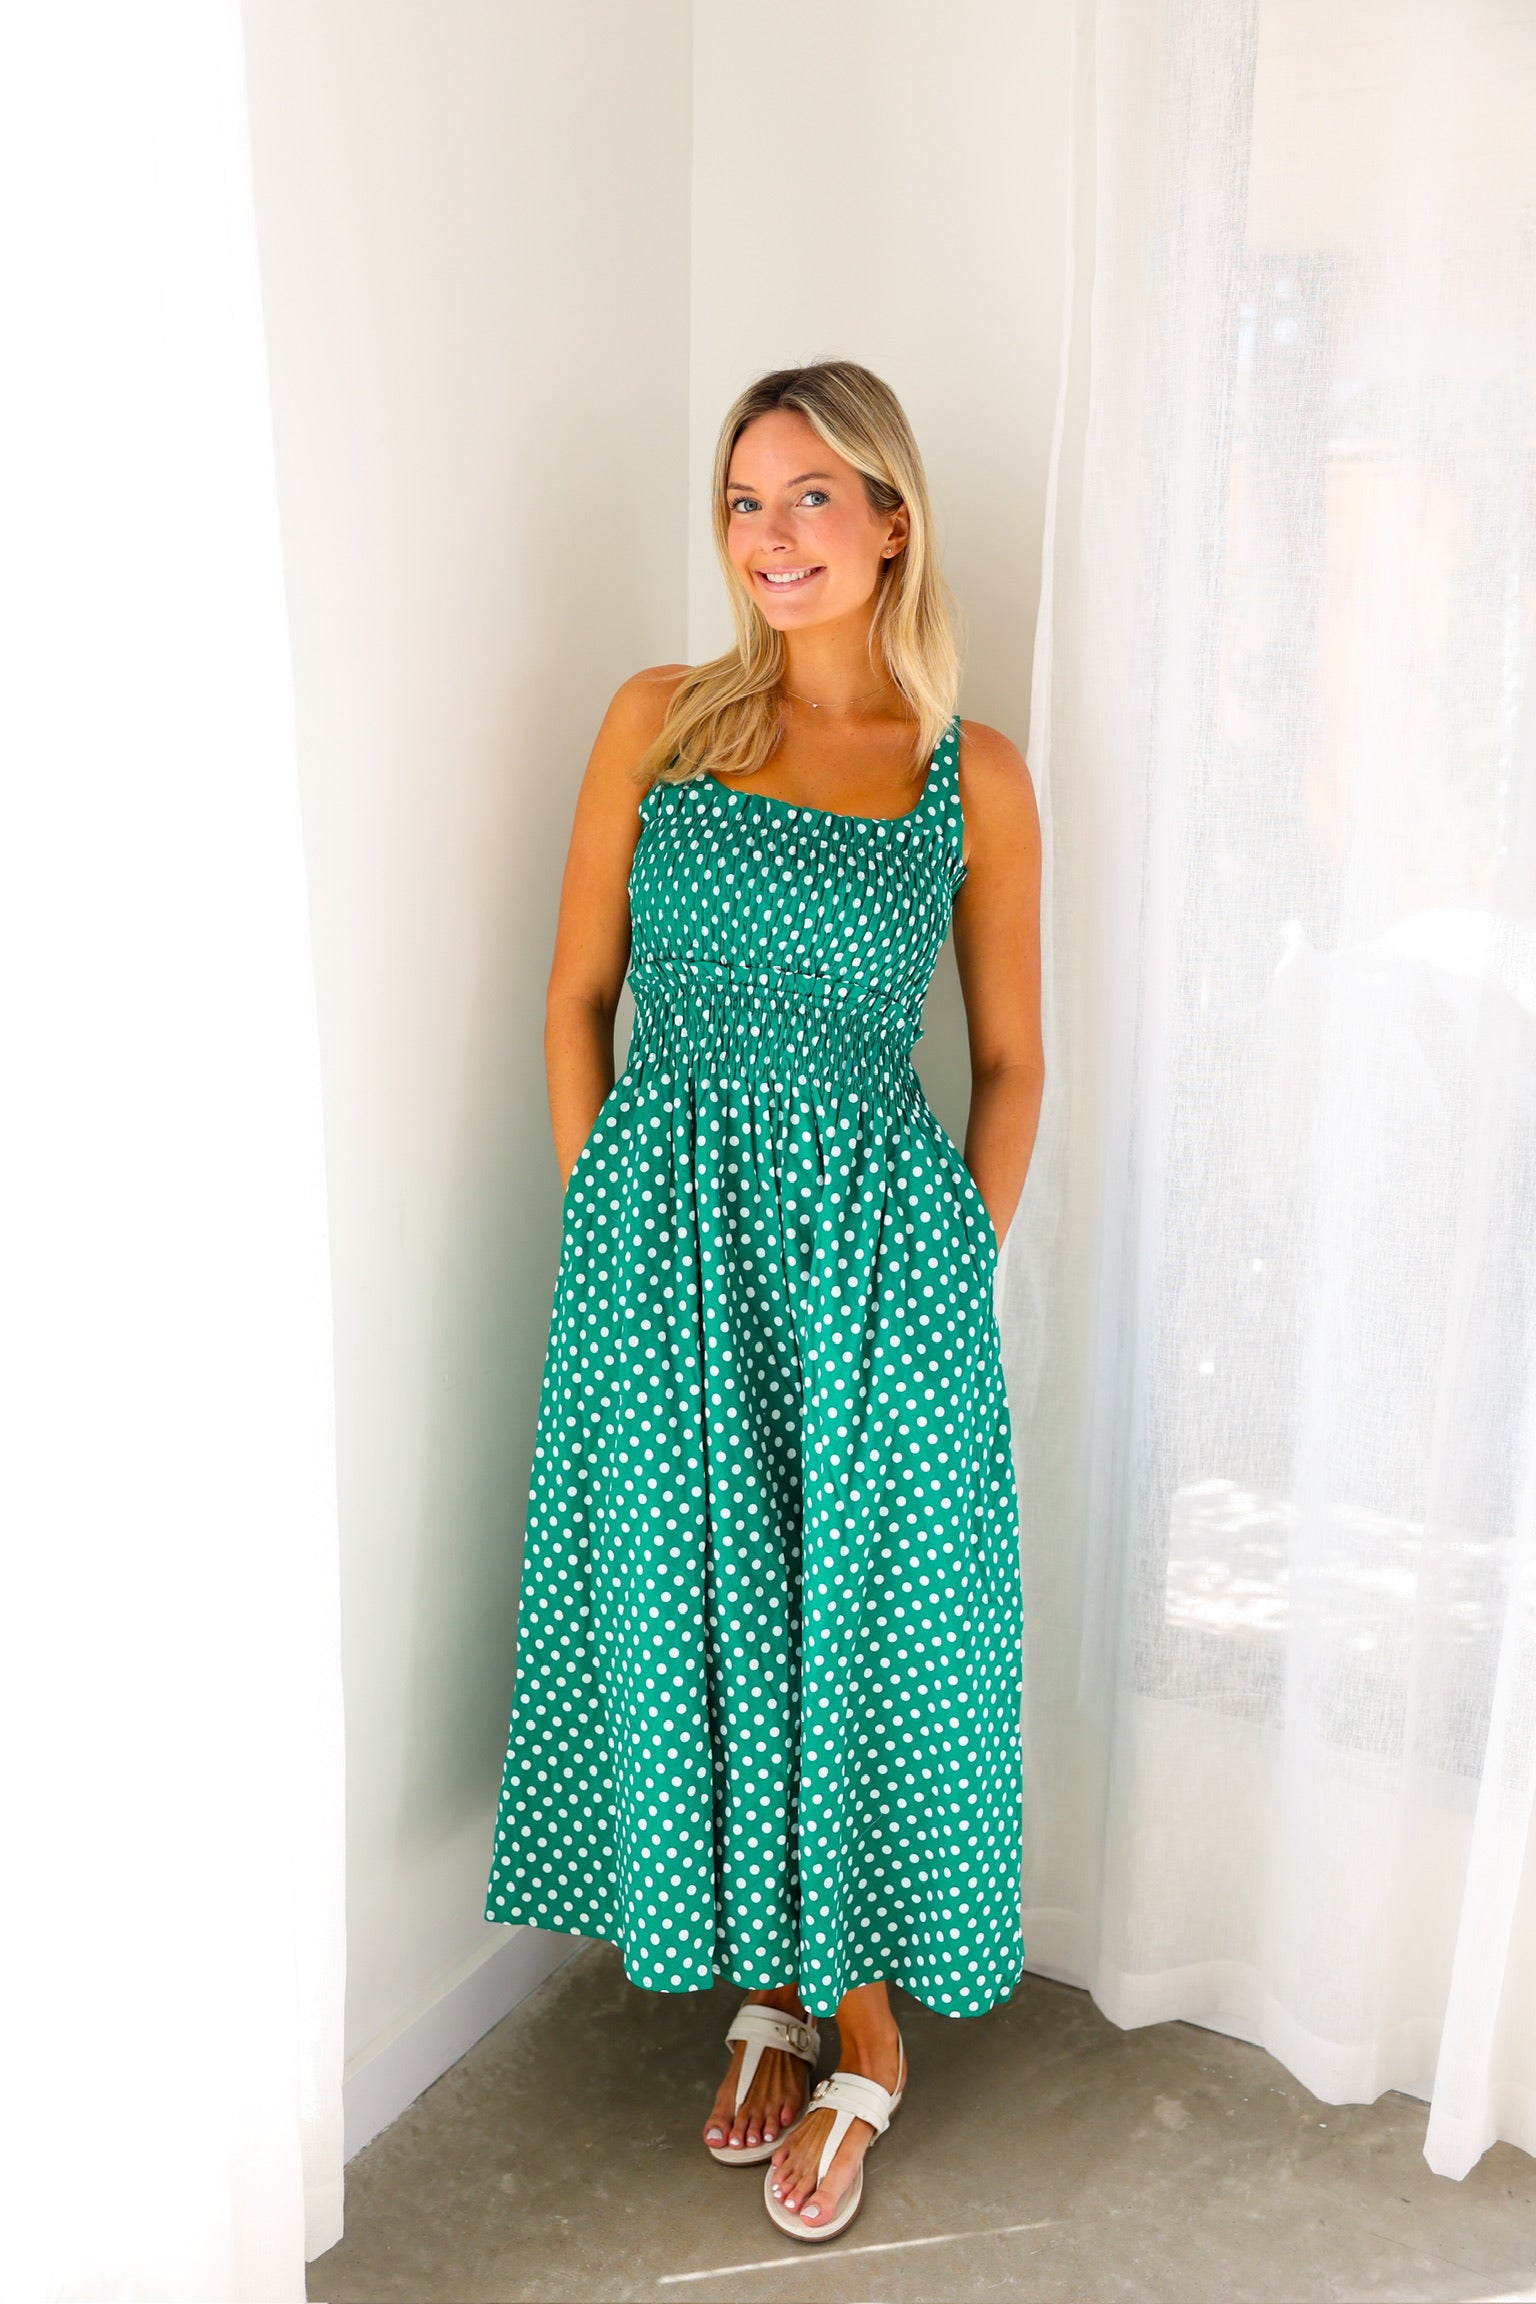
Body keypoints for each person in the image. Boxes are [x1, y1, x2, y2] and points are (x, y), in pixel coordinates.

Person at [484, 359, 1044, 2243]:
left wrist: (951, 1264)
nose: (773, 534)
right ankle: (778, 1991)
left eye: (812, 495)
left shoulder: (970, 775)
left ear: (893, 520)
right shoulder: (659, 719)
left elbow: (1014, 1061)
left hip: (882, 1271)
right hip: (664, 1255)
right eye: (745, 500)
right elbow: (575, 997)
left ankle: (862, 2023)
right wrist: (602, 1217)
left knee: (864, 1631)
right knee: (710, 1614)